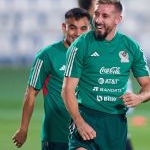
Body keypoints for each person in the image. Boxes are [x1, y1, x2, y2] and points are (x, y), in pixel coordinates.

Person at [62, 0, 150, 150]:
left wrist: (140, 97)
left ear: (118, 19)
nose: (98, 20)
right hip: (86, 117)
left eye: (105, 16)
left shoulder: (131, 47)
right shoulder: (80, 46)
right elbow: (67, 90)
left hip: (116, 123)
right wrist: (79, 122)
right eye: (96, 14)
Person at [12, 8, 91, 149]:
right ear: (64, 27)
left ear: (89, 29)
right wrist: (23, 129)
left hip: (87, 135)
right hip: (57, 136)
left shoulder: (94, 55)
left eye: (83, 28)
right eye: (73, 28)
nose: (78, 33)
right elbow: (31, 93)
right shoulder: (47, 55)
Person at [78, 0, 134, 150]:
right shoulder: (82, 42)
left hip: (115, 121)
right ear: (90, 8)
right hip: (89, 122)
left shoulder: (115, 39)